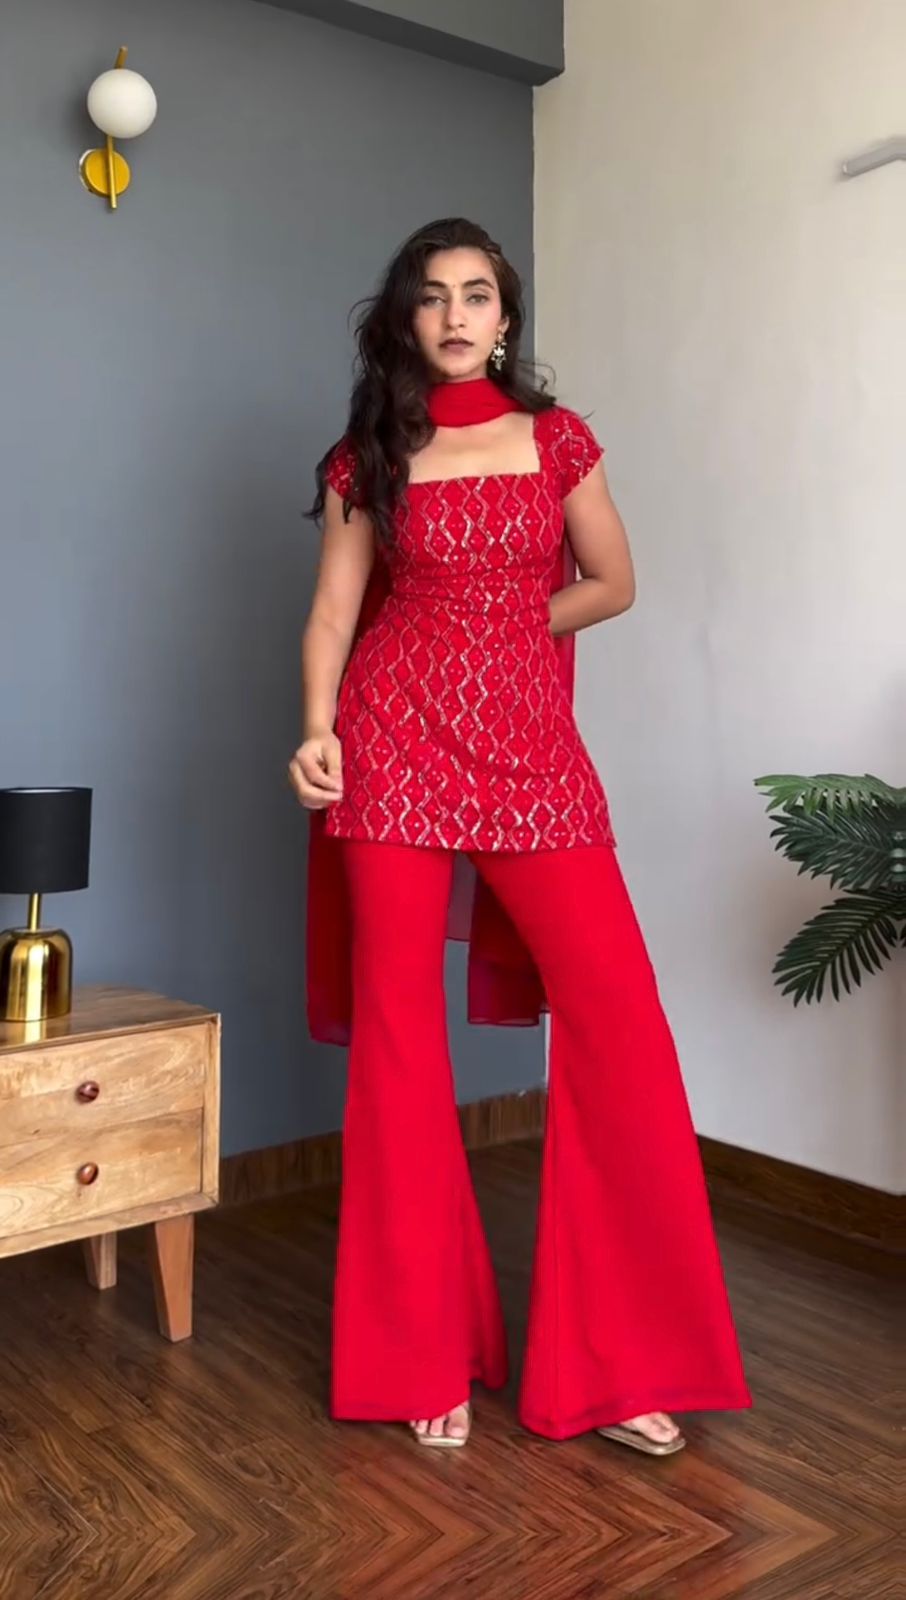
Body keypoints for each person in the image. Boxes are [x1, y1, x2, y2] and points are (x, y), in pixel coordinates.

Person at [289, 217, 751, 1453]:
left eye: (477, 295)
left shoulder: (558, 440)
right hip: (391, 744)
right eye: (432, 296)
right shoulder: (367, 455)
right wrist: (317, 728)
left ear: (505, 317)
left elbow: (614, 581)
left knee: (618, 1016)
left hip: (530, 753)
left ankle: (622, 1362)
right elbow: (333, 612)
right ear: (406, 317)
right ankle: (418, 1351)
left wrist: (505, 629)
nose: (455, 315)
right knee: (400, 1040)